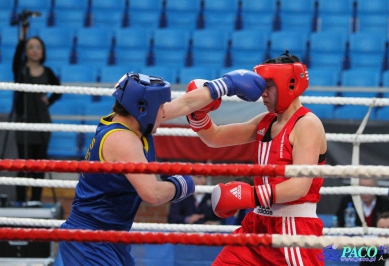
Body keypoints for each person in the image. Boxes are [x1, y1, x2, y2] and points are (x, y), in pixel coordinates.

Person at [56, 70, 266, 265]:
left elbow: (184, 104)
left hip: (109, 236)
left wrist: (225, 85)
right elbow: (154, 194)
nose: (164, 113)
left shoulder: (132, 121)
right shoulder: (122, 139)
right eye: (160, 107)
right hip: (90, 238)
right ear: (142, 108)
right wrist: (184, 183)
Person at [187, 51, 327, 265]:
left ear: (289, 84)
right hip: (257, 224)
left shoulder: (307, 124)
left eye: (269, 86)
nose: (263, 94)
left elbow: (299, 186)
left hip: (293, 228)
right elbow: (215, 138)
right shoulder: (265, 121)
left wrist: (248, 196)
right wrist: (197, 114)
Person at [12, 24, 61, 206]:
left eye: (38, 47)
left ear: (43, 51)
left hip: (42, 122)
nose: (35, 50)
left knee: (39, 164)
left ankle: (35, 201)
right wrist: (22, 37)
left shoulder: (47, 72)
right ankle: (20, 202)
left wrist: (49, 100)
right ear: (25, 50)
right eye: (30, 47)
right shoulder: (21, 70)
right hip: (23, 122)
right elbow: (16, 61)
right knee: (23, 163)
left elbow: (58, 89)